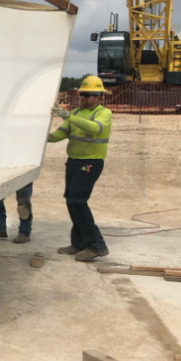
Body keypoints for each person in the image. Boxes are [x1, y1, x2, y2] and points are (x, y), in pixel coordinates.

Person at [47, 75, 113, 262]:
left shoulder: (103, 113)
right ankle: (78, 243)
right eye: (81, 94)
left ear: (99, 96)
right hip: (74, 162)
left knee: (78, 202)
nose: (82, 98)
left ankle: (96, 245)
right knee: (72, 202)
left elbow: (94, 129)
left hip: (89, 164)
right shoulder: (77, 112)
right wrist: (49, 137)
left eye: (87, 95)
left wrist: (68, 115)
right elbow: (63, 132)